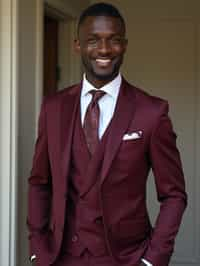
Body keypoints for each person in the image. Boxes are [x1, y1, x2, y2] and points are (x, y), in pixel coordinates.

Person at [27, 2, 187, 266]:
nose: (103, 49)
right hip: (60, 257)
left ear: (124, 45)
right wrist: (37, 248)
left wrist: (153, 259)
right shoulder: (53, 108)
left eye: (113, 40)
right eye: (93, 40)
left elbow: (174, 195)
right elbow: (39, 182)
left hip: (126, 258)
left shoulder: (152, 112)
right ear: (77, 45)